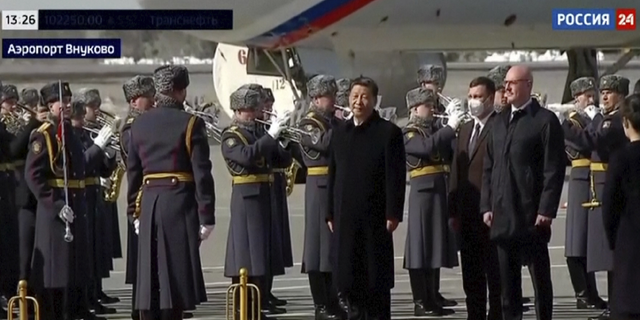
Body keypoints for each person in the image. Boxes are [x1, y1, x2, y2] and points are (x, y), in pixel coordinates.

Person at [125, 65, 215, 320]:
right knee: (174, 279)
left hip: (149, 202)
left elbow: (134, 173)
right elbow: (202, 173)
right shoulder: (191, 123)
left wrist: (134, 212)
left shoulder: (139, 124)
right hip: (179, 203)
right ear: (181, 91)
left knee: (150, 280)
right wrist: (206, 215)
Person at [480, 65, 566, 320]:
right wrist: (486, 205)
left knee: (540, 281)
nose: (506, 88)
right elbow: (489, 167)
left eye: (512, 83)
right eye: (505, 83)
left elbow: (554, 169)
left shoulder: (544, 121)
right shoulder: (497, 122)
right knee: (508, 287)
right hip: (503, 215)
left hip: (532, 217)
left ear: (528, 84)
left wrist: (546, 209)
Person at [327, 76, 406, 320]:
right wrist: (330, 212)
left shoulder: (387, 132)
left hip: (375, 219)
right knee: (349, 280)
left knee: (375, 281)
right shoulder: (340, 133)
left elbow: (395, 176)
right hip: (346, 219)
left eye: (364, 97)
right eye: (354, 96)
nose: (358, 101)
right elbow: (333, 174)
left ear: (374, 100)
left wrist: (393, 213)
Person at [561, 74, 630, 320]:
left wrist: (569, 126)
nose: (603, 97)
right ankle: (613, 306)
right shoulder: (609, 118)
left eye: (609, 92)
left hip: (608, 185)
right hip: (598, 184)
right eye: (603, 92)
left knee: (612, 254)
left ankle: (616, 307)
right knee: (608, 254)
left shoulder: (614, 119)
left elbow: (592, 140)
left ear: (621, 95)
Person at [221, 86, 290, 320]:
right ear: (239, 111)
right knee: (246, 254)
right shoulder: (231, 135)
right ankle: (244, 307)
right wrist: (271, 136)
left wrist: (283, 138)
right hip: (246, 198)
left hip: (264, 195)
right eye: (252, 110)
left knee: (262, 254)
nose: (257, 114)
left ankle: (258, 303)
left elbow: (282, 159)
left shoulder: (260, 131)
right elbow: (246, 157)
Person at [25, 81, 90, 320]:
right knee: (55, 277)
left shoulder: (69, 131)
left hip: (74, 208)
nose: (67, 105)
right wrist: (56, 205)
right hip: (55, 214)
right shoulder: (42, 135)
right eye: (61, 101)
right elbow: (33, 176)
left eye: (69, 100)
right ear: (50, 106)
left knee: (73, 275)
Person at [403, 87, 460, 317]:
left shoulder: (434, 130)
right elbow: (425, 148)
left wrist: (456, 125)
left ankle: (432, 296)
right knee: (420, 247)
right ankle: (420, 301)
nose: (433, 110)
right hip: (423, 194)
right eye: (429, 106)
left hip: (439, 191)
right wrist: (449, 127)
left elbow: (453, 150)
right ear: (415, 109)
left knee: (435, 245)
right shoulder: (409, 131)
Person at [449, 76, 502, 320]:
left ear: (491, 99)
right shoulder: (465, 129)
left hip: (491, 214)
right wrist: (453, 211)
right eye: (470, 97)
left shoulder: (500, 126)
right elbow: (456, 171)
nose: (473, 102)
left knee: (495, 273)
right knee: (471, 275)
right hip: (467, 215)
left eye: (478, 97)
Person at [70, 88, 117, 318]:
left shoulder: (89, 132)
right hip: (83, 193)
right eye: (92, 108)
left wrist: (111, 155)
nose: (96, 112)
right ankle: (88, 298)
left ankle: (96, 294)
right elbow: (82, 163)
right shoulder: (74, 133)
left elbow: (102, 166)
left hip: (95, 194)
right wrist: (98, 146)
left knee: (97, 247)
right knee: (87, 250)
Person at [562, 77, 608, 310]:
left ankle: (591, 293)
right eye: (585, 95)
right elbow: (581, 146)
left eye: (592, 94)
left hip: (593, 179)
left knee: (589, 242)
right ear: (576, 98)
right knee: (576, 241)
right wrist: (594, 119)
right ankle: (582, 293)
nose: (590, 99)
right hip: (580, 180)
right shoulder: (574, 120)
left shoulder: (598, 118)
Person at [298, 75, 341, 320]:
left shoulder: (331, 120)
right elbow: (323, 144)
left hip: (333, 184)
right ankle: (321, 304)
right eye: (329, 97)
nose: (334, 101)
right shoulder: (309, 123)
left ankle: (333, 300)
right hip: (319, 186)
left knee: (332, 248)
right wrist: (344, 124)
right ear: (316, 99)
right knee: (318, 247)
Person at [120, 75, 156, 320]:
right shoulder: (130, 129)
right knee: (141, 262)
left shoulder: (147, 123)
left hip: (152, 196)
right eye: (148, 98)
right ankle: (140, 309)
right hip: (141, 198)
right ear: (134, 101)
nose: (153, 101)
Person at [602, 93, 640, 320]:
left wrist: (614, 238)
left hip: (628, 238)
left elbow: (610, 206)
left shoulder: (621, 158)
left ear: (625, 122)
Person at [10, 89, 47, 287]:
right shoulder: (14, 127)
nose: (33, 110)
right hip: (21, 196)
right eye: (31, 106)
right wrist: (31, 123)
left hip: (38, 196)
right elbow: (14, 150)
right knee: (23, 254)